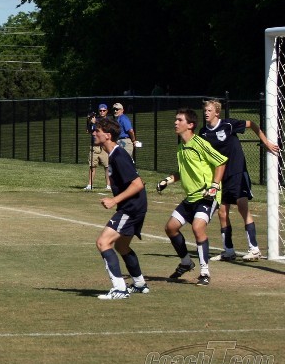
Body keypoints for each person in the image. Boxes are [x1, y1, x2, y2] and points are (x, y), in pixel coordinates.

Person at [200, 99, 279, 262]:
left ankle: (254, 249)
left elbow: (252, 124)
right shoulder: (203, 133)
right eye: (205, 110)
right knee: (222, 212)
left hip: (237, 171)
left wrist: (265, 142)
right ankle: (229, 251)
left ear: (217, 112)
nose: (206, 113)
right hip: (220, 175)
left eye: (209, 110)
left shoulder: (228, 125)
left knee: (242, 207)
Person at [156, 108, 228, 286]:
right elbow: (182, 172)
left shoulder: (200, 144)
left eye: (180, 120)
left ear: (190, 125)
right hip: (191, 197)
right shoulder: (181, 147)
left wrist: (214, 186)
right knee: (171, 228)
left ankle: (204, 272)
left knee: (197, 227)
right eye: (176, 119)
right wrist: (167, 181)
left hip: (207, 196)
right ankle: (186, 262)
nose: (175, 122)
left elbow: (221, 162)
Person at [93, 118, 149, 300]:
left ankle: (119, 289)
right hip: (135, 206)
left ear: (107, 135)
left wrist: (114, 200)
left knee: (103, 242)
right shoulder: (115, 154)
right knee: (122, 246)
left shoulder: (118, 155)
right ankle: (139, 284)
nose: (94, 133)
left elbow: (138, 184)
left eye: (97, 131)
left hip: (131, 208)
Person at [84, 103, 111, 191]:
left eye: (104, 110)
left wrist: (95, 122)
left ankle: (108, 185)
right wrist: (89, 121)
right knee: (92, 166)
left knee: (107, 166)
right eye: (100, 110)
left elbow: (105, 129)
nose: (102, 112)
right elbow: (88, 131)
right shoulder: (95, 120)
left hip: (104, 146)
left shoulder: (108, 121)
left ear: (106, 111)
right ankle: (90, 184)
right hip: (94, 147)